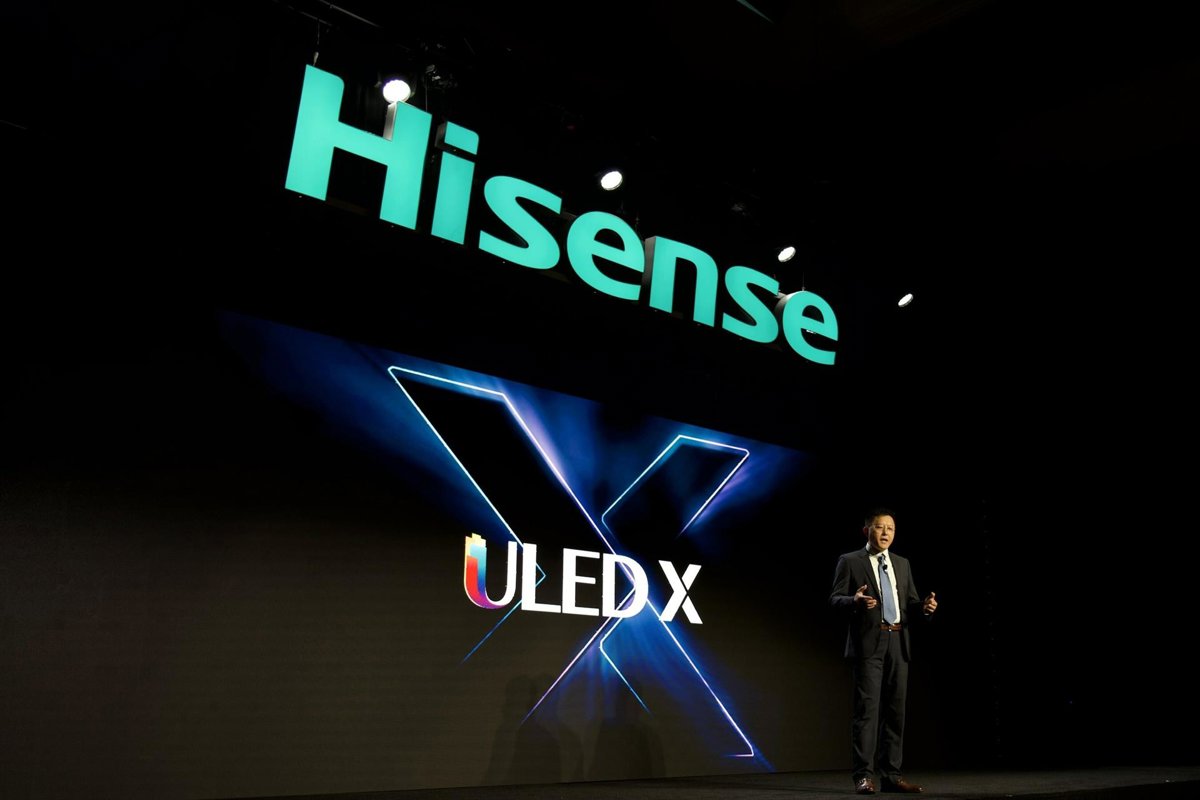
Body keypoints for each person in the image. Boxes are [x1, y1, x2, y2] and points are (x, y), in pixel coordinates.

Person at [830, 507, 937, 795]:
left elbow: (911, 603)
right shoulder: (850, 561)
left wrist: (924, 608)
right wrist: (854, 600)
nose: (886, 533)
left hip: (898, 642)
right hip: (869, 644)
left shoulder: (902, 563)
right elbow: (835, 599)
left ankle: (892, 775)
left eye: (890, 528)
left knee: (895, 712)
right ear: (867, 531)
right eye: (880, 527)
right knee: (867, 712)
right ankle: (864, 776)